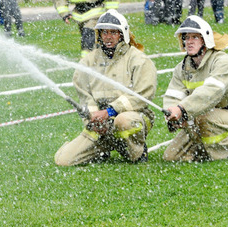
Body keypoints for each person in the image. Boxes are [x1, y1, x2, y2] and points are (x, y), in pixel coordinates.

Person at [54, 11, 157, 166]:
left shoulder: (138, 59)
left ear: (123, 34)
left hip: (133, 116)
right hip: (100, 122)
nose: (108, 37)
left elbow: (143, 95)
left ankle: (136, 152)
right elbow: (85, 96)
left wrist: (110, 112)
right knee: (64, 160)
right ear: (99, 35)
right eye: (104, 32)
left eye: (113, 32)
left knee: (123, 122)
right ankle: (103, 148)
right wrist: (92, 118)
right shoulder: (88, 62)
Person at [162, 16, 228, 162]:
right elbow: (173, 95)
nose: (189, 41)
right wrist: (172, 114)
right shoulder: (182, 68)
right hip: (197, 115)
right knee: (171, 156)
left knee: (206, 118)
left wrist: (182, 109)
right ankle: (205, 149)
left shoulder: (222, 61)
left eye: (195, 37)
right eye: (186, 37)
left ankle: (225, 154)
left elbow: (210, 93)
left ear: (205, 40)